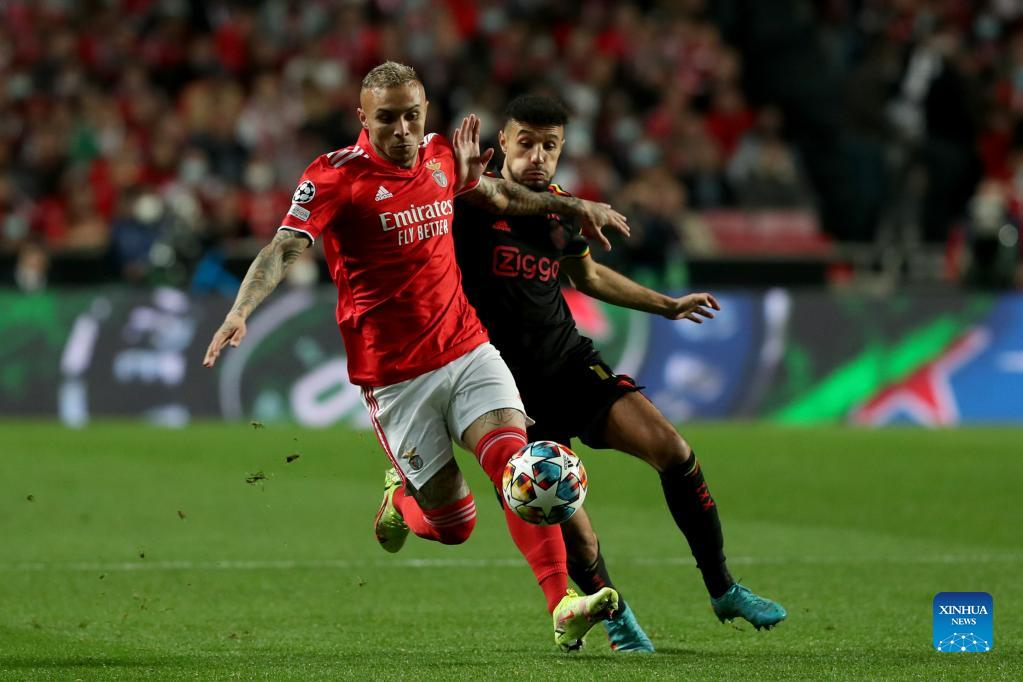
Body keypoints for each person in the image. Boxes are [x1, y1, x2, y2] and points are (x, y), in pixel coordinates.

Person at [202, 62, 630, 650]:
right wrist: (240, 310)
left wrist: (574, 206)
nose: (402, 130)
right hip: (395, 376)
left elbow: (500, 194)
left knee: (519, 467)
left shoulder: (440, 156)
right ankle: (400, 501)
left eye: (411, 115)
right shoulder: (335, 176)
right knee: (455, 526)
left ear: (424, 111)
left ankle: (561, 604)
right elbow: (283, 247)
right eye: (387, 118)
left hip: (468, 349)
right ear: (362, 117)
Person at [452, 95, 788, 637]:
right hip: (501, 391)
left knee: (673, 450)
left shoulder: (562, 209)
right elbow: (489, 197)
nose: (537, 155)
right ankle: (619, 624)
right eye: (526, 143)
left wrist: (666, 305)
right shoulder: (470, 199)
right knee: (570, 524)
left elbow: (587, 278)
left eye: (550, 145)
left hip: (568, 365)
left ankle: (723, 588)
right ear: (504, 143)